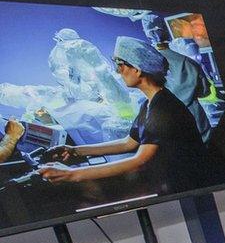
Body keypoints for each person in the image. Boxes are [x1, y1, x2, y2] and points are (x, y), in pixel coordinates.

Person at [39, 37, 211, 195]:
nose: (118, 71)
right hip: (177, 182)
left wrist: (71, 175)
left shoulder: (162, 109)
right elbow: (128, 143)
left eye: (120, 64)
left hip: (191, 186)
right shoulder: (150, 103)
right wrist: (76, 151)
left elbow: (139, 161)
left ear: (137, 69)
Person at [142, 14, 213, 143]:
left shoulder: (148, 68)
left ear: (147, 35)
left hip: (171, 125)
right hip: (198, 124)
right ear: (167, 31)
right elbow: (205, 92)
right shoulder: (189, 63)